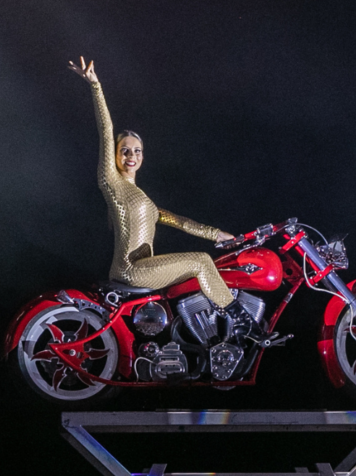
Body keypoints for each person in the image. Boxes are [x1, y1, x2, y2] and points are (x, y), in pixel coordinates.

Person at [68, 56, 264, 339]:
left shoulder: (142, 199)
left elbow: (178, 221)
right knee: (201, 261)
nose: (131, 155)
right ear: (115, 155)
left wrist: (220, 235)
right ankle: (244, 323)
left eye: (137, 151)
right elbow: (106, 131)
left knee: (206, 264)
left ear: (143, 156)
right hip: (130, 270)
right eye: (125, 150)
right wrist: (95, 86)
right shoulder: (111, 182)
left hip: (142, 267)